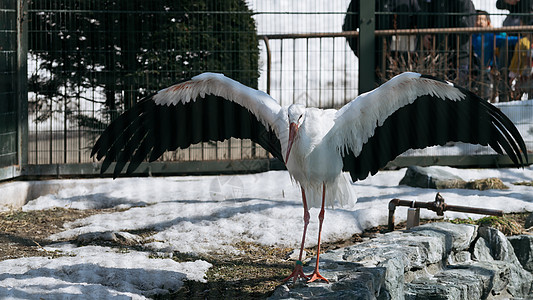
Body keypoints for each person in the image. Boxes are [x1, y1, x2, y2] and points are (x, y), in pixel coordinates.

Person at [343, 0, 421, 86]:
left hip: (402, 64)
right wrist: (363, 54)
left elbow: (420, 24)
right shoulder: (362, 2)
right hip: (375, 65)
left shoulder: (408, 2)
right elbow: (348, 28)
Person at [417, 0, 476, 87]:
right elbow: (428, 17)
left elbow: (467, 26)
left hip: (460, 53)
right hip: (440, 52)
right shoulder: (437, 3)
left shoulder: (465, 2)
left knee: (459, 86)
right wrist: (425, 34)